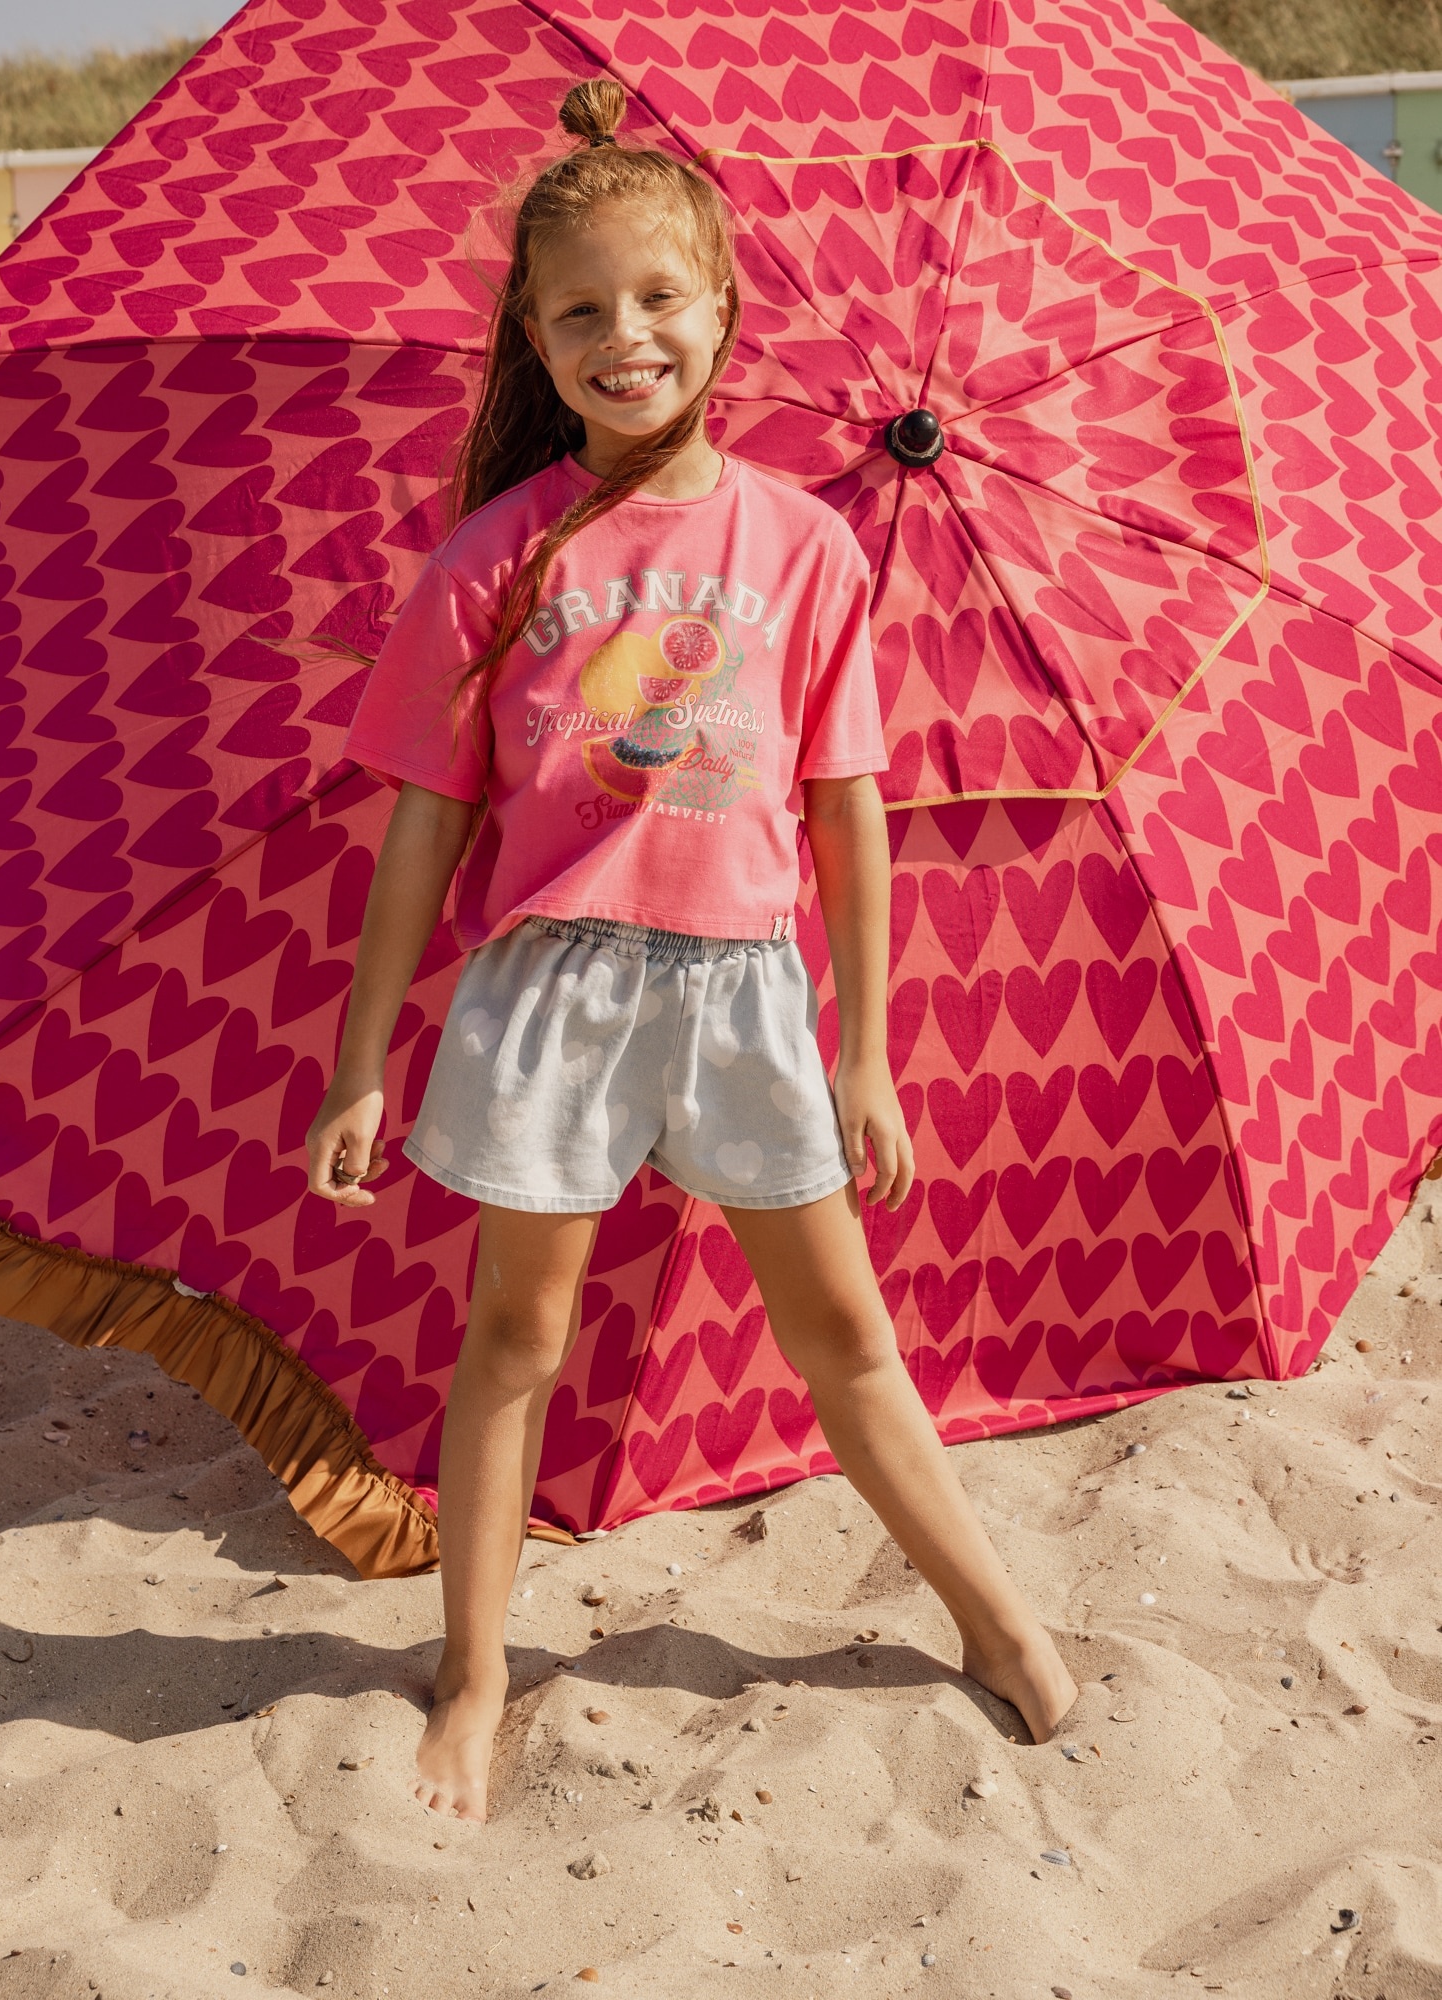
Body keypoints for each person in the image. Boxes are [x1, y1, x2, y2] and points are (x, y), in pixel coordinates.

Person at [306, 76, 1078, 1823]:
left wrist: (865, 1049)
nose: (624, 338)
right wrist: (359, 1064)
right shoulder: (493, 558)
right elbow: (424, 823)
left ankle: (997, 1621)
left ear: (724, 310)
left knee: (846, 1337)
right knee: (515, 1342)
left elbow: (848, 807)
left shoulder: (805, 547)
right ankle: (473, 1673)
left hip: (745, 995)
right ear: (534, 335)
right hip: (553, 991)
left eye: (659, 298)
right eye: (580, 310)